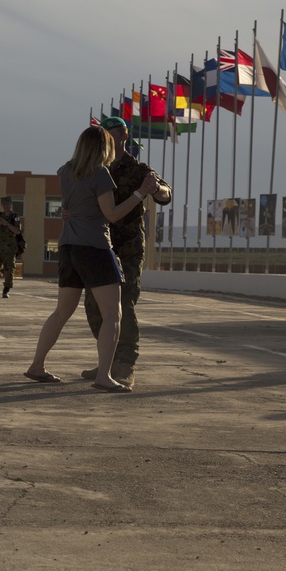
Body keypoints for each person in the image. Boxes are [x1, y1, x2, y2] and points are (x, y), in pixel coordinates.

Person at [24, 126, 157, 391]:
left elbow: (72, 206)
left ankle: (37, 365)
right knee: (113, 314)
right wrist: (140, 193)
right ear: (103, 147)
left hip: (68, 247)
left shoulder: (66, 171)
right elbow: (112, 214)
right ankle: (104, 376)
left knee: (61, 312)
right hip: (95, 247)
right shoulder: (100, 173)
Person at [81, 117, 172, 388]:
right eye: (104, 134)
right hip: (100, 244)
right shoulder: (96, 168)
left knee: (125, 303)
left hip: (129, 248)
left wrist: (155, 188)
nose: (107, 138)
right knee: (93, 306)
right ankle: (107, 361)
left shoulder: (138, 169)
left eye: (112, 134)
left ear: (123, 136)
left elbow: (165, 194)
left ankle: (125, 364)